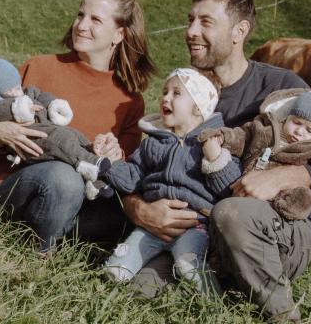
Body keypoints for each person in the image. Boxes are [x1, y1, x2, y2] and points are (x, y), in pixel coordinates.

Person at [121, 0, 311, 324]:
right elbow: (150, 160)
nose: (190, 32)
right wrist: (138, 208)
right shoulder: (188, 90)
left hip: (275, 228)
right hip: (198, 231)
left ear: (239, 31)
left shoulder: (280, 87)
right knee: (137, 294)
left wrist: (282, 176)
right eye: (190, 20)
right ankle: (217, 283)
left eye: (205, 22)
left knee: (231, 211)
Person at [0, 0, 156, 253]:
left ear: (118, 34)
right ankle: (40, 254)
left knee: (125, 216)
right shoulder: (38, 67)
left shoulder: (129, 101)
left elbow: (126, 173)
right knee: (63, 178)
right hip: (12, 193)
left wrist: (116, 155)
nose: (82, 25)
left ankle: (60, 236)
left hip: (82, 200)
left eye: (95, 19)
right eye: (80, 14)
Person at [80, 67, 239, 294]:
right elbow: (134, 176)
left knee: (188, 265)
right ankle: (104, 288)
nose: (165, 97)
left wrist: (216, 160)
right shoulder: (154, 143)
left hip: (194, 227)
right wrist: (111, 164)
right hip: (150, 226)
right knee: (118, 265)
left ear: (198, 107)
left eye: (176, 93)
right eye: (165, 92)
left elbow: (229, 187)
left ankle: (211, 302)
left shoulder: (214, 143)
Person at [202, 84, 311, 221]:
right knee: (224, 175)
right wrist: (223, 137)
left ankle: (275, 216)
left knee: (301, 198)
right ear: (288, 116)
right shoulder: (266, 129)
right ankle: (221, 211)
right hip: (245, 180)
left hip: (281, 192)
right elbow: (243, 136)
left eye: (309, 130)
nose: (300, 131)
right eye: (296, 122)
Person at [0, 56, 112, 200]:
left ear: (119, 34)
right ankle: (90, 161)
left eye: (18, 87)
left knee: (76, 136)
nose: (18, 93)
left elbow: (37, 93)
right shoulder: (36, 67)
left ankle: (97, 182)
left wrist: (53, 104)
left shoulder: (129, 98)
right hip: (29, 154)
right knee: (60, 143)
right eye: (12, 90)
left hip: (73, 190)